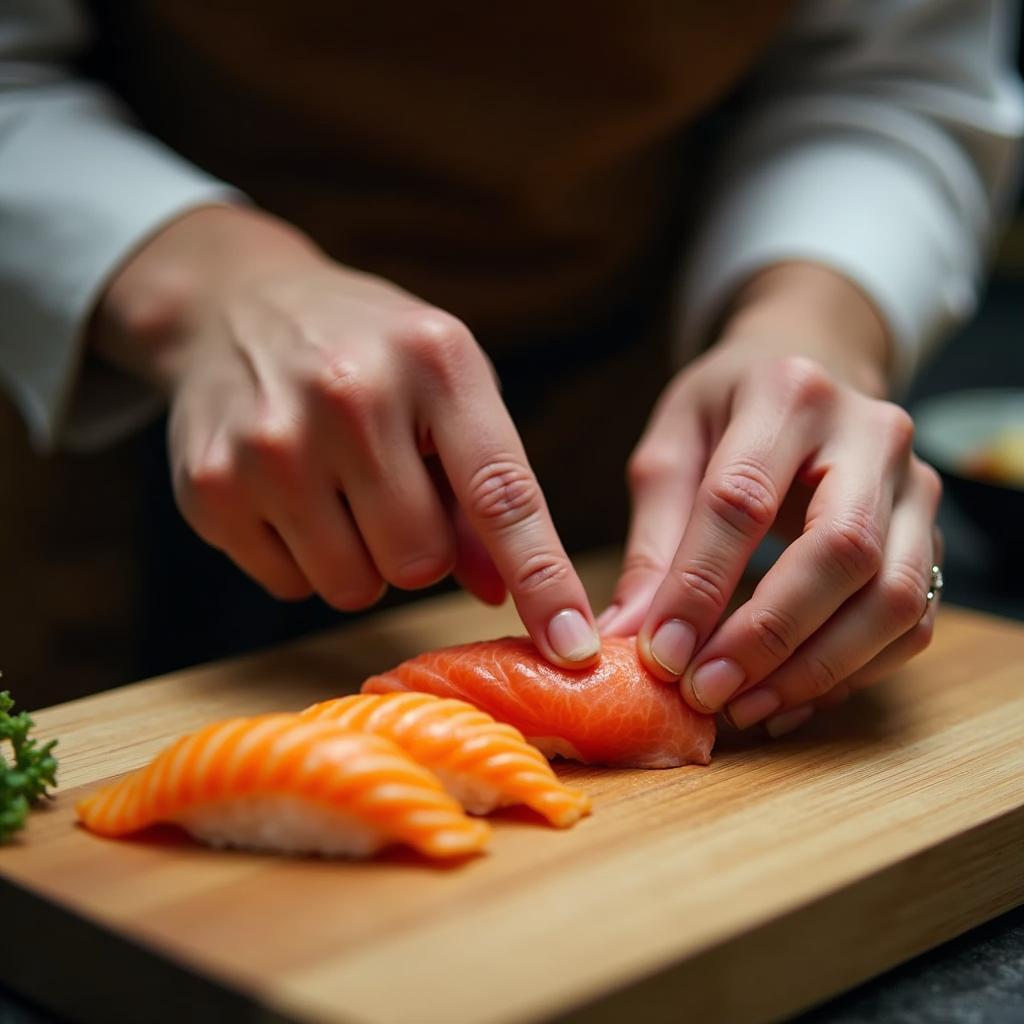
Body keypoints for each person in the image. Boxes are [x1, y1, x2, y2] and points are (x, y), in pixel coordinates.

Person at [1, 2, 1021, 736]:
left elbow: (890, 72)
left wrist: (813, 321)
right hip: (107, 417)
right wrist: (202, 281)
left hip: (621, 382)